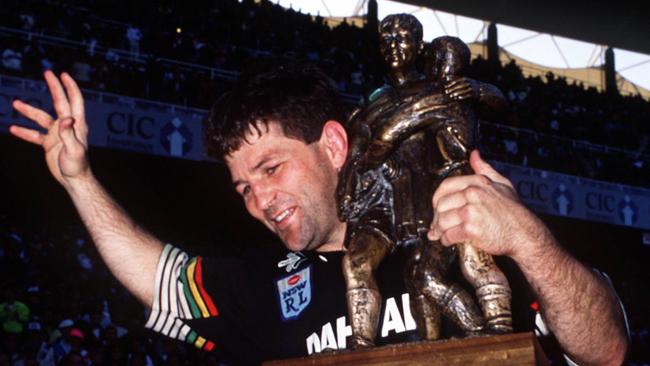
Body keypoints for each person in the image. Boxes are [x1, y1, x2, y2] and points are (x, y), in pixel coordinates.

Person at [10, 65, 627, 365]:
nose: (258, 199)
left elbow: (607, 351)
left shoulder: (467, 233)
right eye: (242, 187)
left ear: (333, 146)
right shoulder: (271, 285)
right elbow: (160, 279)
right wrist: (79, 179)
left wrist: (529, 241)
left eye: (271, 168)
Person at [337, 15, 513, 347]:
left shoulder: (438, 86)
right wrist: (348, 185)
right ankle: (360, 344)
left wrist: (479, 88)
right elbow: (359, 146)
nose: (392, 46)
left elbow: (499, 103)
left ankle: (477, 332)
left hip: (432, 196)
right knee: (358, 262)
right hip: (384, 201)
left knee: (429, 273)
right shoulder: (373, 99)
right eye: (386, 39)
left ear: (419, 47)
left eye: (401, 38)